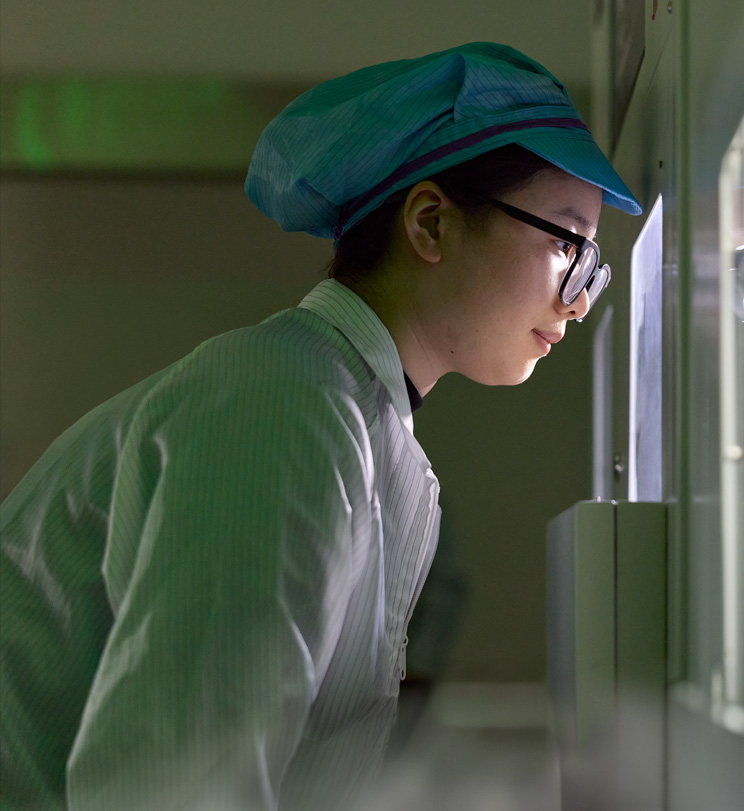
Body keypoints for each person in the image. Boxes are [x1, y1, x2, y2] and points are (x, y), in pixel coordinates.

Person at [0, 42, 640, 810]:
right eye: (567, 244)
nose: (578, 298)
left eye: (593, 264)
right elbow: (173, 785)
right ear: (431, 223)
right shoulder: (286, 404)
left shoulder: (356, 420)